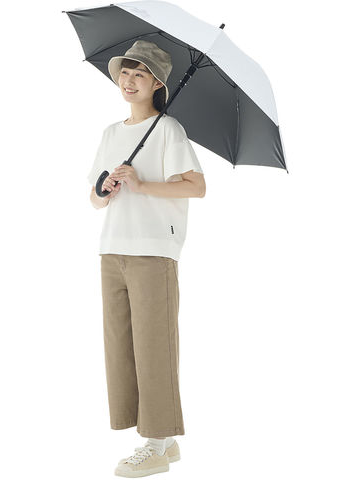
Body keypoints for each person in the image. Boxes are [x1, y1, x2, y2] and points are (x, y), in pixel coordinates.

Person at [87, 40, 206, 478]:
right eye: (125, 71)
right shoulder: (111, 133)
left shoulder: (168, 129)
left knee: (154, 345)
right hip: (112, 249)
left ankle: (157, 443)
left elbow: (196, 186)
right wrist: (105, 190)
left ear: (158, 83)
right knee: (121, 347)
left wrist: (140, 185)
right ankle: (162, 442)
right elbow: (94, 198)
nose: (129, 80)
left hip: (153, 250)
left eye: (139, 74)